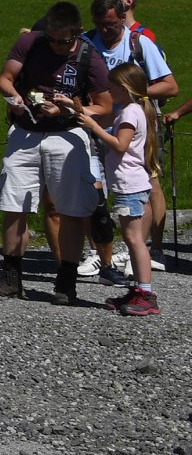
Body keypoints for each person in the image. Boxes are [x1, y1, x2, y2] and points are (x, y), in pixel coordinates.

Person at [0, 2, 112, 303]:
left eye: (62, 41)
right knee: (14, 203)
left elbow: (105, 107)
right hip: (26, 131)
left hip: (66, 134)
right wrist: (14, 98)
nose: (55, 46)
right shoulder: (31, 42)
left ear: (77, 33)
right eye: (50, 39)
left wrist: (70, 108)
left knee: (70, 209)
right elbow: (5, 78)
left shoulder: (89, 57)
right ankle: (11, 277)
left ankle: (66, 281)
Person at [65, 63, 160, 315]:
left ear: (124, 88)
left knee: (134, 240)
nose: (108, 91)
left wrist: (93, 127)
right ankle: (139, 290)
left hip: (130, 184)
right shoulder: (133, 110)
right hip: (130, 183)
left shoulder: (129, 113)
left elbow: (120, 145)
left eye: (111, 87)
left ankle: (145, 293)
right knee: (132, 239)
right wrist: (73, 107)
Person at [97, 0, 176, 255]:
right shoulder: (88, 42)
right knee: (100, 184)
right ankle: (107, 252)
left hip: (137, 122)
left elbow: (170, 86)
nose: (104, 30)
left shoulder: (140, 41)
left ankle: (150, 249)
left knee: (147, 183)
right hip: (102, 122)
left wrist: (130, 92)